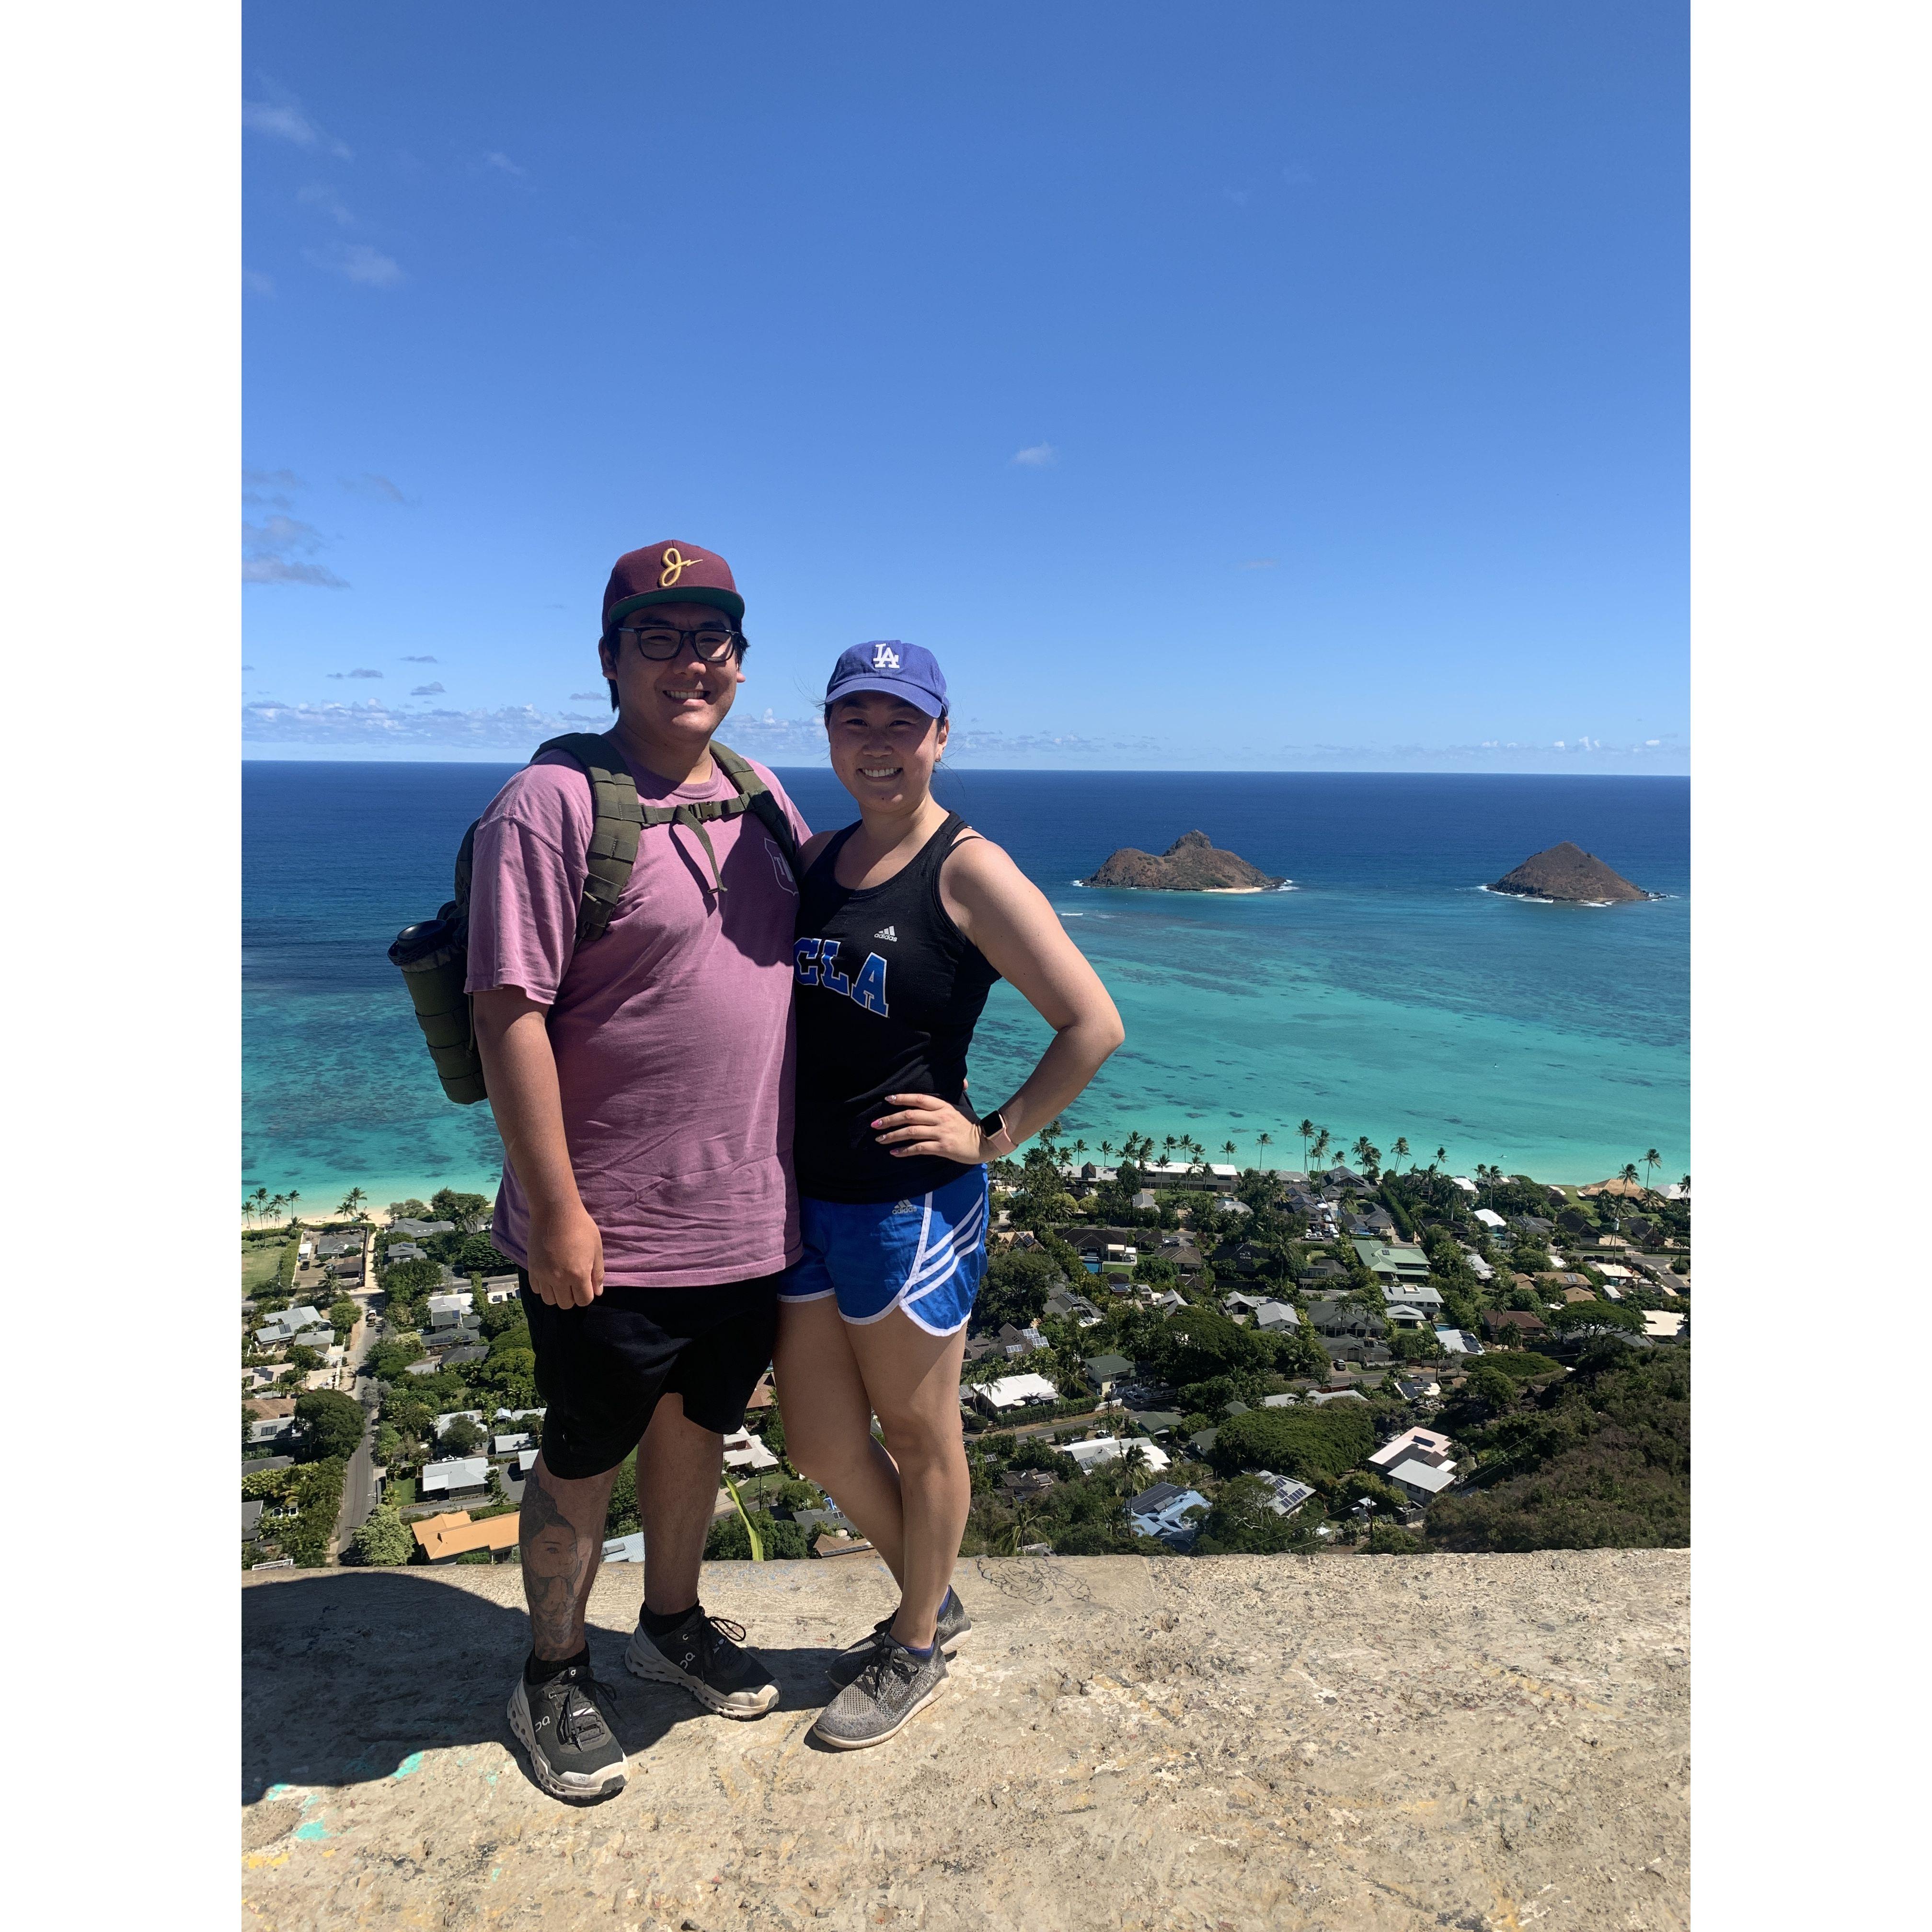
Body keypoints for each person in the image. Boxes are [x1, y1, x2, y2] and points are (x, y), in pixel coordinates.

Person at [465, 540, 812, 1802]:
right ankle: (554, 1669)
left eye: (713, 634)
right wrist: (556, 1209)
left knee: (701, 1431)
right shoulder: (550, 808)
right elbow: (509, 1012)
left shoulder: (764, 793)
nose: (692, 658)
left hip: (753, 1215)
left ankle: (671, 1623)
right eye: (659, 635)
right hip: (611, 1227)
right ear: (611, 658)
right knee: (583, 1453)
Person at [773, 641, 1124, 1750]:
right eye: (855, 721)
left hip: (910, 1206)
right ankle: (933, 1593)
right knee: (820, 1443)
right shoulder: (820, 858)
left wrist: (992, 1136)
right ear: (830, 735)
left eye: (901, 723)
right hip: (805, 1196)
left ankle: (915, 1641)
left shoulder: (967, 869)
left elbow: (1093, 1023)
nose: (877, 744)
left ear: (939, 735)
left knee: (922, 1440)